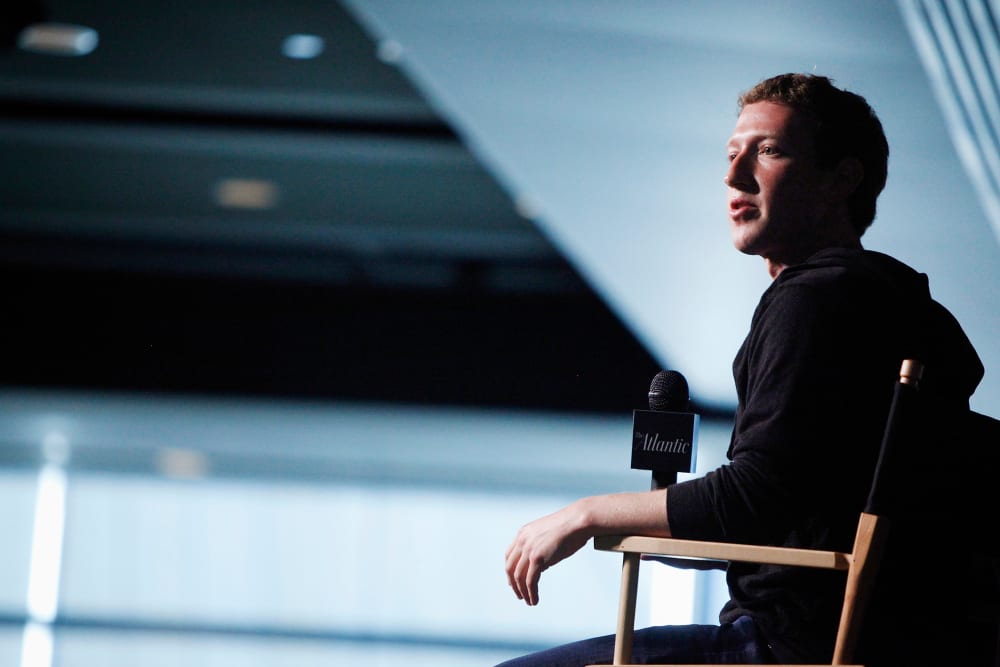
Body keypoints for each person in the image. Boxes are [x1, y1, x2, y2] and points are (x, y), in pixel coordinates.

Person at [499, 73, 985, 666]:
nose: (734, 176)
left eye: (769, 151)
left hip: (783, 647)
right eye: (732, 154)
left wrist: (585, 515)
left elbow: (754, 495)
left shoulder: (814, 299)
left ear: (842, 178)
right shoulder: (890, 304)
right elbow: (787, 514)